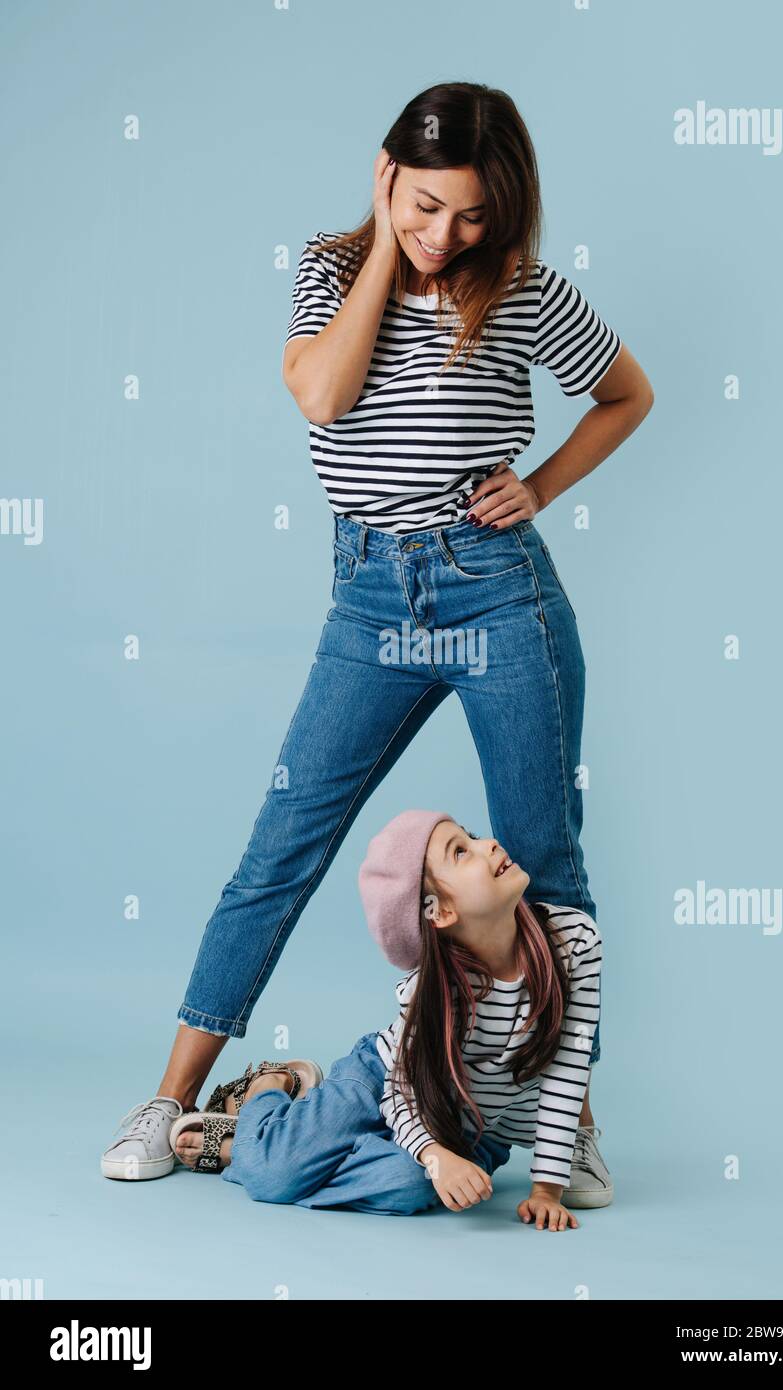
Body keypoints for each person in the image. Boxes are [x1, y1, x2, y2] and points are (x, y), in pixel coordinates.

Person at [100, 80, 653, 1195]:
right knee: (283, 846)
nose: (443, 236)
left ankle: (571, 1116)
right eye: (423, 205)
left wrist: (536, 488)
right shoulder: (323, 263)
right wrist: (378, 254)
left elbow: (626, 393)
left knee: (544, 862)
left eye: (470, 217)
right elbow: (320, 392)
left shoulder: (522, 291)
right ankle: (171, 1098)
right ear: (386, 176)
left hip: (497, 594)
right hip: (368, 601)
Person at [169, 811, 606, 1230]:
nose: (488, 845)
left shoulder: (576, 943)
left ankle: (276, 1149)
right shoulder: (428, 992)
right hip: (383, 1081)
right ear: (440, 912)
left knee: (409, 1186)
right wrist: (433, 1153)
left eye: (472, 838)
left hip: (469, 1132)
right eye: (461, 852)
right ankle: (268, 1091)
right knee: (268, 1176)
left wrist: (546, 1190)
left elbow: (566, 1069)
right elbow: (400, 1094)